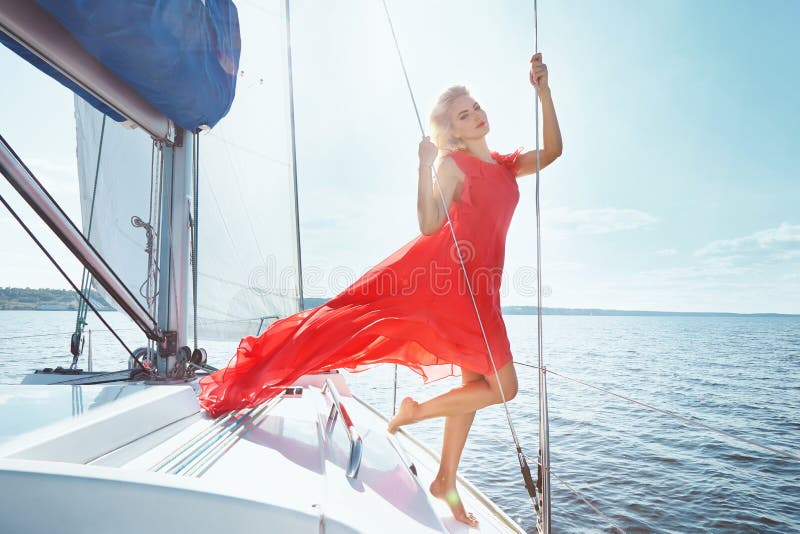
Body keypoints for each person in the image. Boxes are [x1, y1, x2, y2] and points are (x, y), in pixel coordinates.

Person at [198, 52, 562, 527]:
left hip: (484, 290)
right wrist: (424, 166)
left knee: (477, 384)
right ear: (451, 130)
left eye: (475, 107)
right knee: (505, 388)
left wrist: (544, 92)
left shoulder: (507, 164)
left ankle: (446, 480)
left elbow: (553, 151)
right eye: (463, 114)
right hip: (453, 287)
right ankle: (414, 412)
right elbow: (430, 224)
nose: (476, 115)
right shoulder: (452, 165)